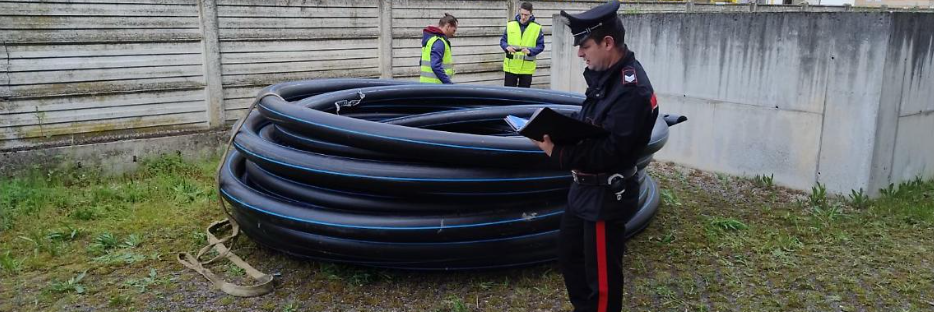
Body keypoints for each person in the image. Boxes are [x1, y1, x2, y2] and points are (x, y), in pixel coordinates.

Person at [530, 1, 659, 312]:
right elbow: (590, 123)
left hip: (605, 195)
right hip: (584, 191)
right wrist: (555, 128)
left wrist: (558, 152)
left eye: (585, 45)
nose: (579, 53)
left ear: (608, 43)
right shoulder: (605, 77)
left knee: (601, 280)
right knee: (569, 254)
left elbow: (612, 150)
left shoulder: (631, 90)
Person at [500, 2, 544, 88]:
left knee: (524, 94)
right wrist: (507, 47)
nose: (523, 17)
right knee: (508, 94)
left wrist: (530, 51)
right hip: (511, 67)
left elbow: (541, 46)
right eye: (522, 14)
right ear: (519, 11)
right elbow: (503, 41)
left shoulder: (537, 28)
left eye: (526, 15)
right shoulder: (510, 25)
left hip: (526, 69)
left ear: (531, 14)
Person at [420, 13, 458, 84]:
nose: (453, 34)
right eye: (454, 30)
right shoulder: (439, 42)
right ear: (448, 26)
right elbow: (435, 66)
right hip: (436, 86)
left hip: (426, 84)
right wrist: (449, 83)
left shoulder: (430, 39)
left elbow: (421, 62)